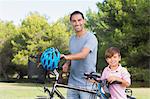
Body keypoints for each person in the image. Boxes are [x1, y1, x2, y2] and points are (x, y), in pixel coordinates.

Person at [61, 11, 98, 99]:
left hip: (87, 83)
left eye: (79, 20)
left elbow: (83, 55)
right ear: (71, 23)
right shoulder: (72, 39)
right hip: (72, 82)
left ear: (84, 21)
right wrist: (67, 63)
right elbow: (73, 54)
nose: (77, 23)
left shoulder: (91, 37)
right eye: (74, 21)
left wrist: (66, 56)